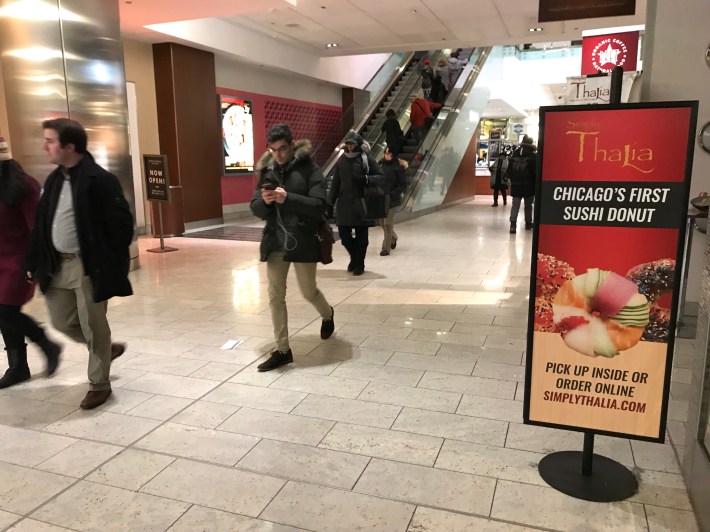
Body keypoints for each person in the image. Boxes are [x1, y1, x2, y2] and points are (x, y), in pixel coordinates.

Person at [25, 118, 133, 409]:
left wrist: (108, 260)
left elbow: (122, 226)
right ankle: (105, 350)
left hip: (87, 266)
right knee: (61, 321)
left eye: (49, 141)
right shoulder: (55, 179)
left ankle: (99, 383)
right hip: (56, 265)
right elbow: (41, 225)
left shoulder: (99, 180)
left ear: (69, 146)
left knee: (93, 324)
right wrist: (33, 261)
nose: (44, 146)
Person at [250, 124, 334, 372]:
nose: (279, 155)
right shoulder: (267, 171)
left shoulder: (310, 169)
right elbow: (254, 207)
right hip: (276, 241)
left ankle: (328, 313)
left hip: (303, 239)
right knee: (275, 295)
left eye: (283, 149)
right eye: (273, 150)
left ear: (292, 144)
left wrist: (289, 198)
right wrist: (263, 203)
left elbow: (320, 205)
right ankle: (283, 350)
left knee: (309, 291)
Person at [0, 136, 61, 388]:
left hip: (18, 258)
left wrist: (34, 263)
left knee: (3, 308)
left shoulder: (23, 185)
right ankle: (18, 367)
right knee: (4, 312)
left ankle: (46, 343)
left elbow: (37, 227)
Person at [329, 131, 383, 276]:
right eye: (348, 144)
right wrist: (330, 203)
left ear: (359, 145)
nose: (350, 147)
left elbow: (380, 177)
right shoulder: (341, 161)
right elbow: (335, 184)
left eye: (353, 144)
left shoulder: (367, 159)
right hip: (344, 203)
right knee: (344, 237)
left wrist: (366, 179)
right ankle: (355, 258)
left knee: (362, 239)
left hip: (362, 202)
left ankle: (360, 264)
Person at [375, 148, 407, 256]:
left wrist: (393, 193)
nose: (387, 156)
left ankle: (386, 248)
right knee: (382, 223)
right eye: (385, 153)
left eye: (389, 154)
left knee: (387, 223)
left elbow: (403, 184)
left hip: (392, 199)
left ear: (393, 155)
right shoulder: (379, 164)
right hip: (380, 198)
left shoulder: (398, 167)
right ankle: (393, 237)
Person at [506, 135, 537, 233]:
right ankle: (528, 223)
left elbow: (509, 169)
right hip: (529, 185)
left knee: (515, 205)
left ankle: (513, 225)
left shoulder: (514, 154)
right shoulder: (533, 156)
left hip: (515, 184)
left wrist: (510, 179)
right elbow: (535, 171)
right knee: (528, 205)